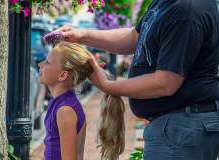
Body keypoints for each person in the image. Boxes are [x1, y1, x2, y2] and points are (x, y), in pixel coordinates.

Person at [53, 0, 219, 159]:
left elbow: (165, 83)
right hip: (174, 127)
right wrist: (82, 35)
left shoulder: (186, 9)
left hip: (181, 130)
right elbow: (134, 37)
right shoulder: (167, 3)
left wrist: (108, 85)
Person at [38, 42, 126, 160]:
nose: (40, 64)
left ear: (63, 75)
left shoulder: (65, 110)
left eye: (47, 62)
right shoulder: (59, 103)